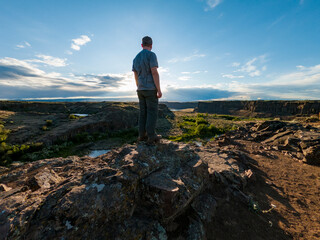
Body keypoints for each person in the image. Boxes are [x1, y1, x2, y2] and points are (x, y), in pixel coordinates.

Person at [132, 36, 162, 144]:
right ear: (151, 45)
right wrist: (158, 89)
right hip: (150, 89)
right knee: (152, 112)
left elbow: (135, 74)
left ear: (141, 45)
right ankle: (151, 136)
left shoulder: (136, 58)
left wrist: (138, 86)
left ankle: (141, 136)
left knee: (143, 113)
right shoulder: (151, 55)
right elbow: (154, 72)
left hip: (140, 89)